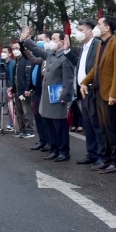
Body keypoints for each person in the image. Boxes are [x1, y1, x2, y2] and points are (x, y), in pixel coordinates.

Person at [81, 15, 116, 173]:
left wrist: (114, 93)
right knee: (104, 128)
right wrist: (85, 81)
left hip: (110, 94)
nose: (96, 27)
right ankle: (107, 159)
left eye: (99, 24)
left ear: (107, 28)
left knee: (113, 129)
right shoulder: (102, 43)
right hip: (99, 92)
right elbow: (97, 67)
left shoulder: (115, 42)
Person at [21, 28, 75, 161]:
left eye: (54, 39)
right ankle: (54, 149)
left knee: (60, 126)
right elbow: (36, 50)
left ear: (62, 42)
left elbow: (68, 78)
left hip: (58, 97)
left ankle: (63, 152)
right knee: (49, 124)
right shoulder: (50, 54)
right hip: (47, 96)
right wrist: (26, 40)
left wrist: (65, 95)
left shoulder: (66, 57)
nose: (51, 41)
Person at [70, 20, 104, 166]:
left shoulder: (97, 45)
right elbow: (80, 65)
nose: (78, 32)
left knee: (97, 124)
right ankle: (92, 153)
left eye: (81, 29)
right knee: (88, 124)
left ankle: (102, 156)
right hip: (83, 91)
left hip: (93, 89)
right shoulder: (83, 47)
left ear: (90, 31)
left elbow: (96, 67)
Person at [12, 42, 36, 138]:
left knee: (27, 111)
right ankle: (22, 129)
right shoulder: (16, 61)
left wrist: (27, 89)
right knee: (19, 111)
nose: (15, 50)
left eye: (17, 48)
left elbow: (28, 76)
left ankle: (29, 129)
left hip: (24, 91)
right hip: (17, 91)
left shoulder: (26, 60)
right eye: (13, 49)